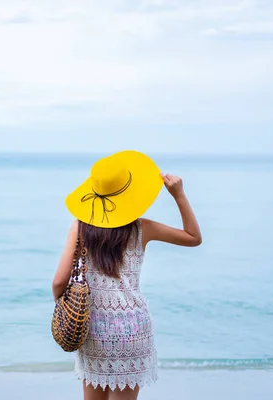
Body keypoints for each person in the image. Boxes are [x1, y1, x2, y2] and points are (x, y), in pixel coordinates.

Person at [52, 150, 202, 400]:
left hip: (94, 331)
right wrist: (179, 195)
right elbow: (193, 238)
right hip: (133, 329)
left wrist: (63, 304)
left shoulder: (79, 226)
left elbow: (59, 281)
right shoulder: (142, 228)